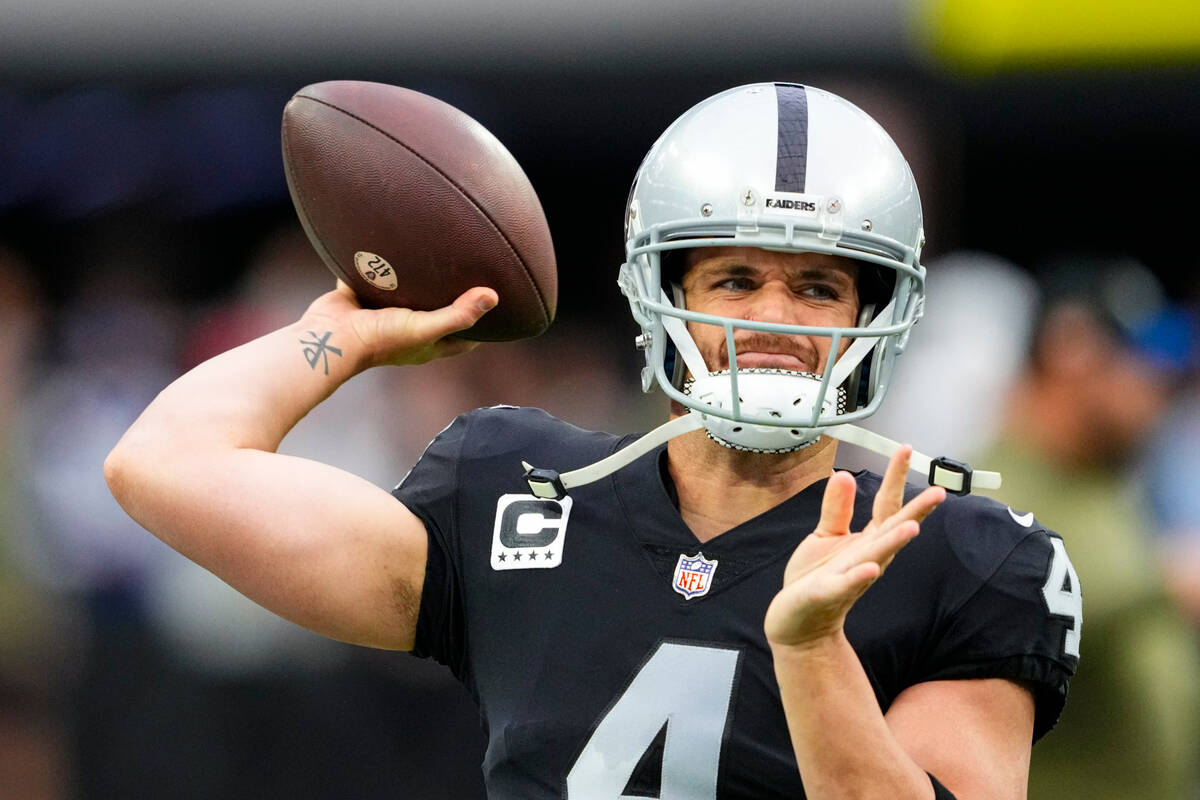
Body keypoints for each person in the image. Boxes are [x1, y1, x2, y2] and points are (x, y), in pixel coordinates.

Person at [105, 83, 1079, 798]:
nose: (780, 316)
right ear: (662, 298)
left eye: (820, 286)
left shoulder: (958, 552)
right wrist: (341, 336)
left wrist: (812, 647)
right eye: (736, 279)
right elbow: (163, 466)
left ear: (877, 316)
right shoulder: (514, 494)